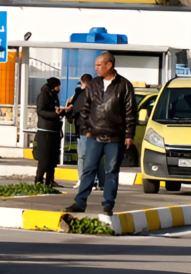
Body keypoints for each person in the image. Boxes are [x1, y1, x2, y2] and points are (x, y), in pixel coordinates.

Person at [65, 52, 137, 217]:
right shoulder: (93, 84)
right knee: (88, 169)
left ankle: (108, 205)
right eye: (95, 65)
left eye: (99, 65)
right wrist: (86, 128)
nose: (96, 68)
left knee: (111, 171)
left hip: (115, 136)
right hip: (94, 135)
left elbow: (130, 112)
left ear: (109, 65)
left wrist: (129, 134)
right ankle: (80, 202)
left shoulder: (124, 85)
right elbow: (85, 108)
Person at [67, 73, 105, 190]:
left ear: (83, 83)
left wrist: (70, 112)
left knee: (84, 156)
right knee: (94, 156)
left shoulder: (84, 94)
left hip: (85, 129)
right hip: (94, 128)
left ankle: (87, 180)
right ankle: (99, 181)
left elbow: (76, 108)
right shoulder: (99, 94)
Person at [34, 77, 68, 188]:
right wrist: (55, 114)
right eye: (58, 85)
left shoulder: (54, 96)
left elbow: (55, 110)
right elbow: (41, 111)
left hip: (54, 130)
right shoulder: (44, 95)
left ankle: (50, 180)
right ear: (54, 86)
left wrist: (63, 111)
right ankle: (39, 180)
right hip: (45, 131)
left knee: (53, 158)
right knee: (44, 158)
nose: (60, 88)